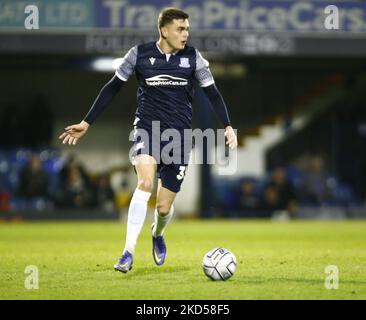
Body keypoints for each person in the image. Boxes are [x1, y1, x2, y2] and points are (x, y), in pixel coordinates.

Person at [59, 7, 237, 273]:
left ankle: (157, 232)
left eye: (187, 28)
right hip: (147, 131)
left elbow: (213, 94)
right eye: (180, 28)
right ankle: (127, 252)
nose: (185, 33)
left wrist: (228, 125)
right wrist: (87, 122)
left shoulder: (193, 58)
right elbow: (112, 88)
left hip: (178, 138)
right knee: (144, 182)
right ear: (163, 30)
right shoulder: (139, 55)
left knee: (164, 207)